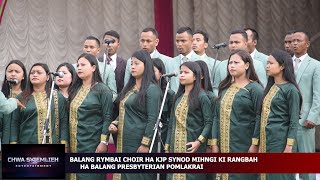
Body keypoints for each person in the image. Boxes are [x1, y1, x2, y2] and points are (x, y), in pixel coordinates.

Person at [212, 49, 263, 180]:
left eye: (236, 62)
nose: (232, 66)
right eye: (230, 63)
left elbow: (261, 117)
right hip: (224, 144)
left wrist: (255, 144)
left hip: (244, 144)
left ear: (247, 65)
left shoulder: (255, 89)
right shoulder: (224, 87)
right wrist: (214, 143)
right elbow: (216, 117)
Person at [110, 50, 161, 180]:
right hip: (124, 141)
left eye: (136, 63)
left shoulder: (152, 89)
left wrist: (145, 144)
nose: (132, 66)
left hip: (139, 143)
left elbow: (153, 119)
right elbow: (124, 110)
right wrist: (115, 123)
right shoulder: (129, 89)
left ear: (146, 65)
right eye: (131, 63)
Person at [68, 53, 113, 180]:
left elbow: (108, 117)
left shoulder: (102, 90)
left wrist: (103, 142)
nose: (79, 68)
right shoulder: (75, 89)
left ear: (93, 68)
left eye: (83, 65)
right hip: (75, 143)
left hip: (92, 143)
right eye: (78, 65)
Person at [258, 49, 302, 180]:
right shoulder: (271, 87)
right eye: (267, 63)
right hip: (267, 140)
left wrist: (289, 147)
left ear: (282, 66)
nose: (267, 66)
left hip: (281, 141)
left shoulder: (291, 90)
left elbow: (294, 121)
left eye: (271, 63)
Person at [165, 61, 212, 180]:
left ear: (195, 76)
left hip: (192, 147)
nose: (182, 75)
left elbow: (209, 123)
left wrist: (199, 142)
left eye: (186, 72)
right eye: (181, 72)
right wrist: (167, 146)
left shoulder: (202, 97)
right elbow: (171, 124)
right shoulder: (178, 97)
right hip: (175, 147)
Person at [10, 63, 68, 146]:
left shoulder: (56, 96)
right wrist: (13, 142)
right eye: (32, 73)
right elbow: (15, 122)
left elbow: (63, 120)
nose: (35, 75)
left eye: (39, 72)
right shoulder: (21, 97)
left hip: (52, 144)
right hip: (27, 143)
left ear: (48, 77)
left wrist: (64, 143)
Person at [292, 30, 320, 180]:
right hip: (286, 120)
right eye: (293, 41)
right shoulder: (285, 64)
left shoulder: (316, 65)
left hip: (305, 121)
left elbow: (318, 94)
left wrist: (313, 117)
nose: (294, 43)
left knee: (306, 161)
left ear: (307, 44)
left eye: (298, 40)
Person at [213, 29, 267, 96]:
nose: (233, 45)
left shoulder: (257, 65)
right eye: (231, 42)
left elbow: (262, 88)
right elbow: (215, 87)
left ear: (245, 43)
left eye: (237, 42)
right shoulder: (222, 65)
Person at [165, 27, 202, 92]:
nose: (179, 44)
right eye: (177, 41)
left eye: (183, 41)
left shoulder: (201, 61)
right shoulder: (170, 63)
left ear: (192, 41)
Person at [82, 36, 117, 101]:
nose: (88, 50)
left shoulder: (107, 69)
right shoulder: (75, 67)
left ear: (98, 50)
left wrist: (103, 101)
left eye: (91, 47)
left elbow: (114, 94)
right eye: (86, 47)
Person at [0, 60, 27, 144]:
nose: (13, 74)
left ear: (23, 76)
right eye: (10, 71)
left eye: (17, 71)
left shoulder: (28, 96)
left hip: (23, 140)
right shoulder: (2, 96)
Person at [152, 58, 175, 152]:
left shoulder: (169, 94)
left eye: (153, 71)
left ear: (161, 73)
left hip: (163, 134)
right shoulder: (143, 92)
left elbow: (172, 119)